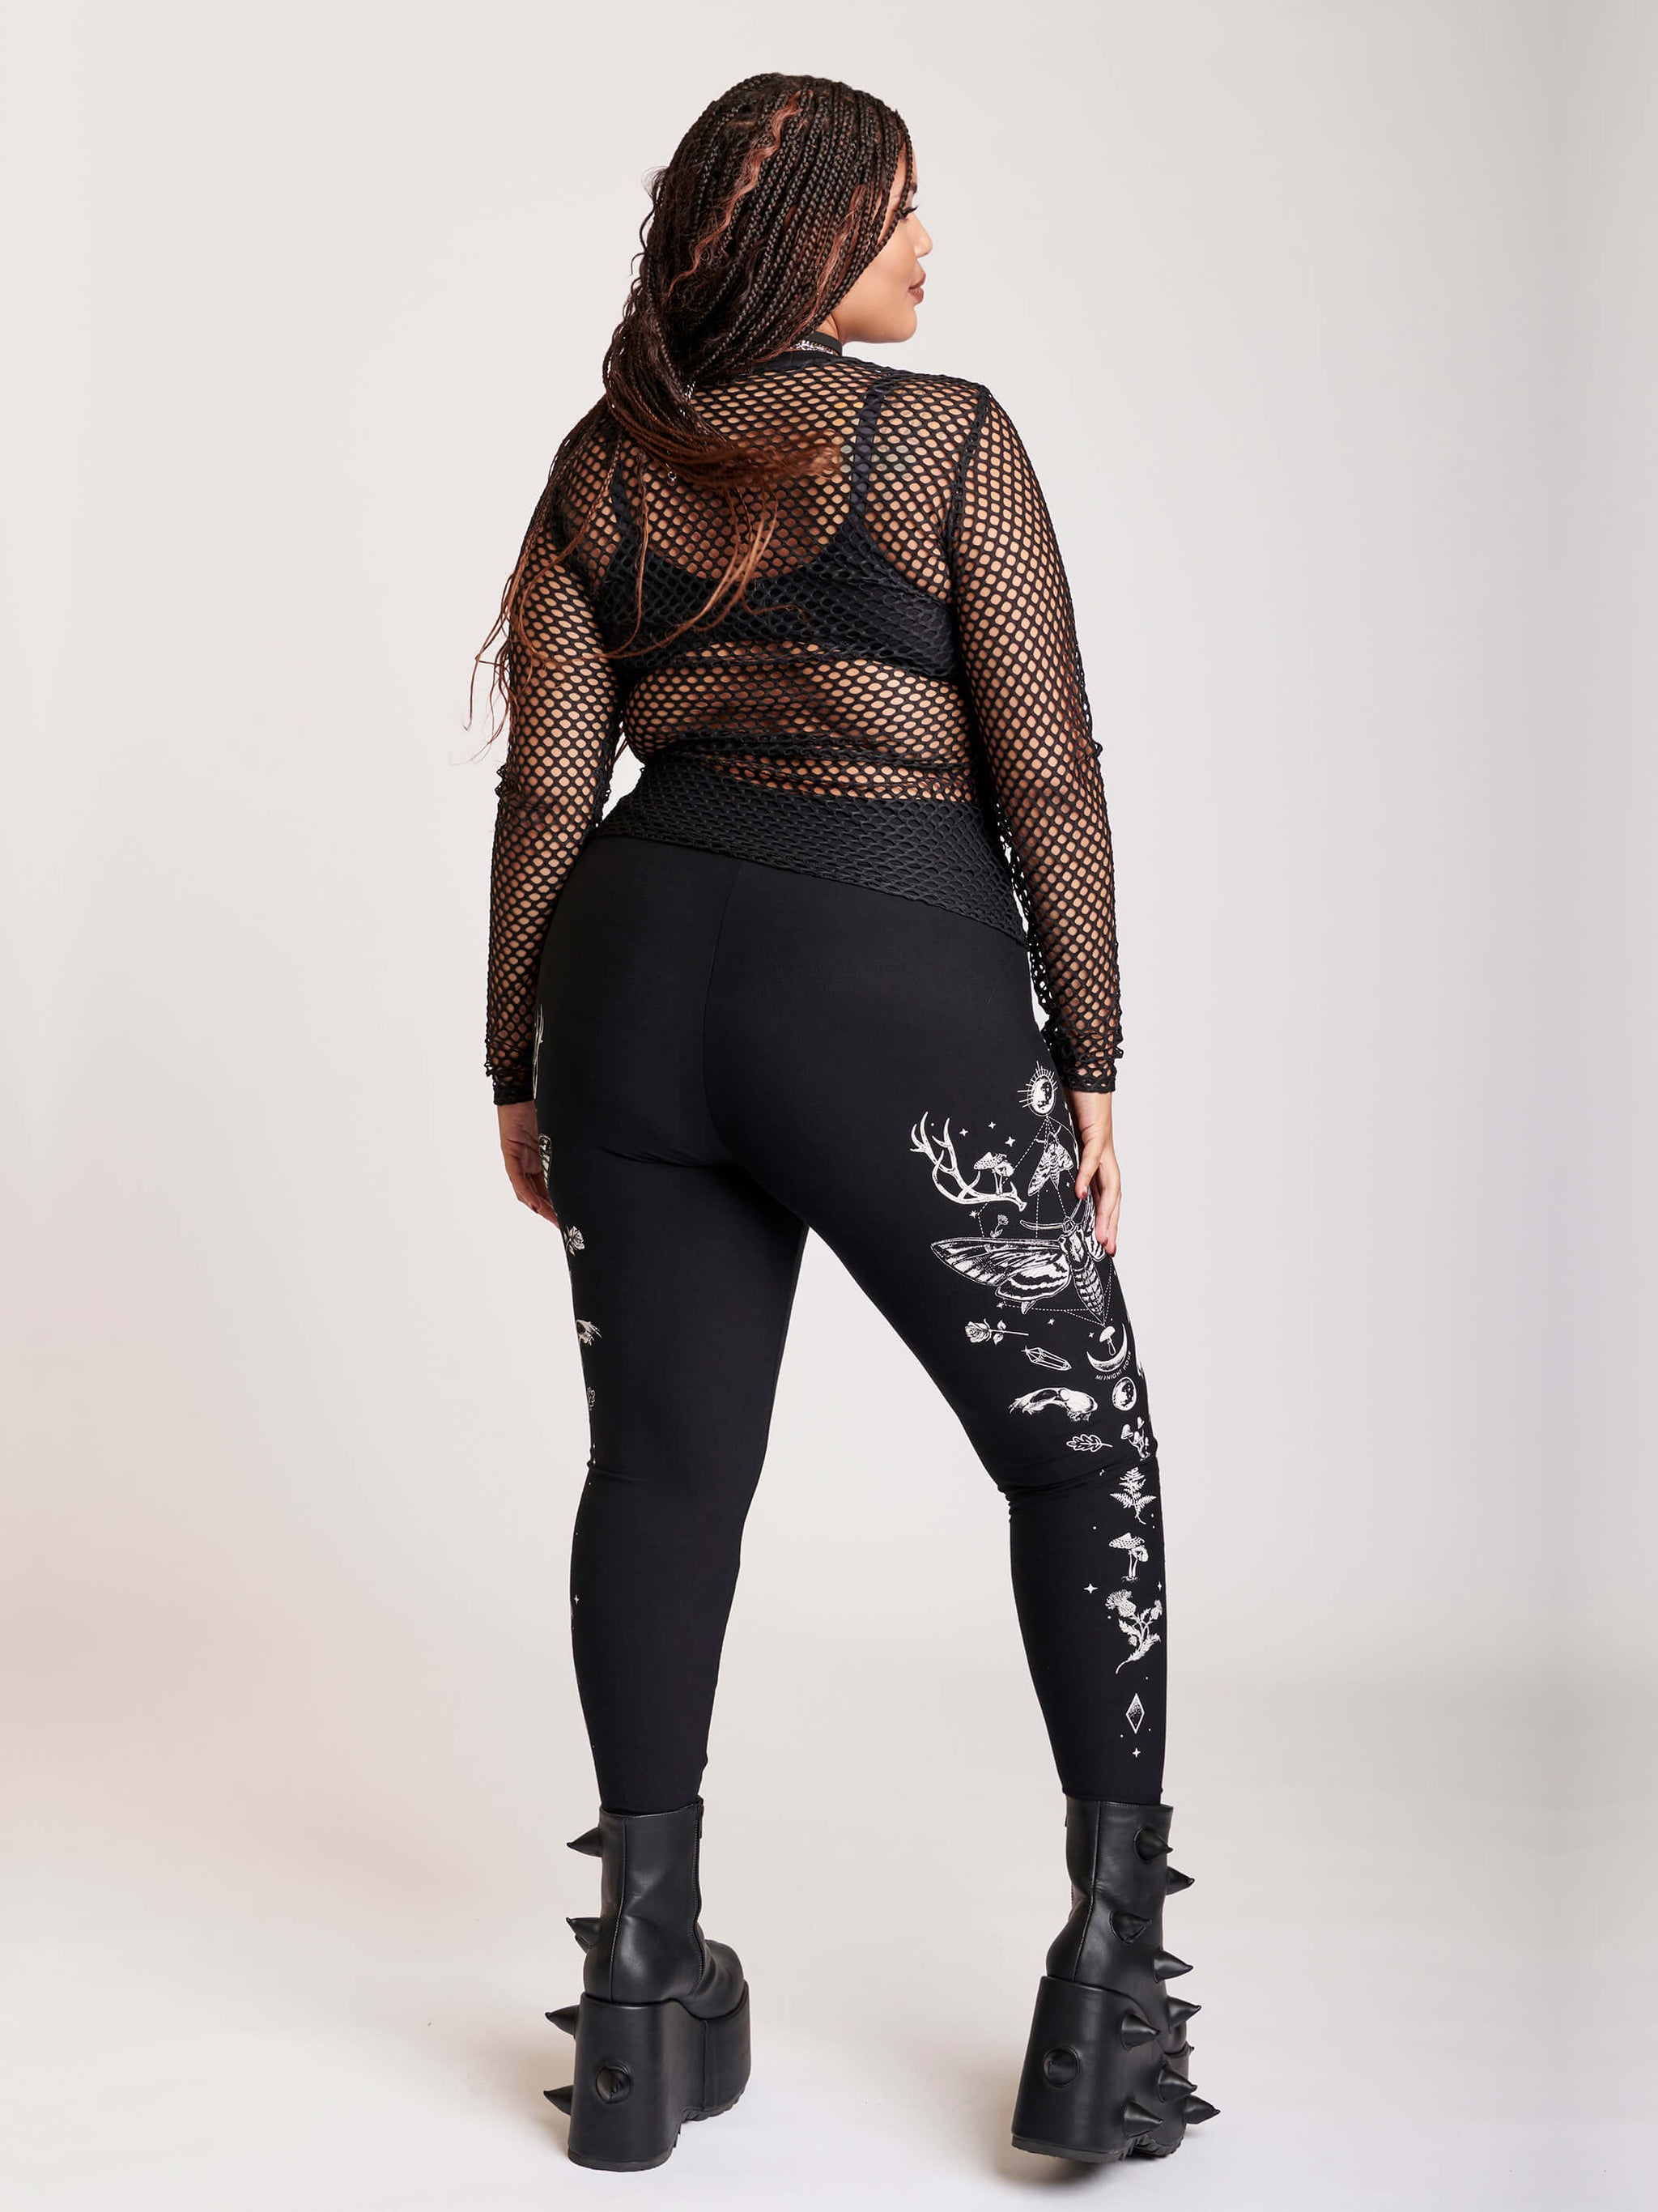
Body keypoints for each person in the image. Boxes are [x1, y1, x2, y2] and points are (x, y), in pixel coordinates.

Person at [476, 71, 1214, 2173]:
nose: (927, 244)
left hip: (633, 984)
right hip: (881, 987)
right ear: (808, 235)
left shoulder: (605, 458)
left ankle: (642, 1988)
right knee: (1080, 1454)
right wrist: (1090, 1054)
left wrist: (516, 1057)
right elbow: (1047, 763)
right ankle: (1109, 1995)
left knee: (663, 1472)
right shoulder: (949, 441)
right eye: (898, 208)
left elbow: (549, 784)